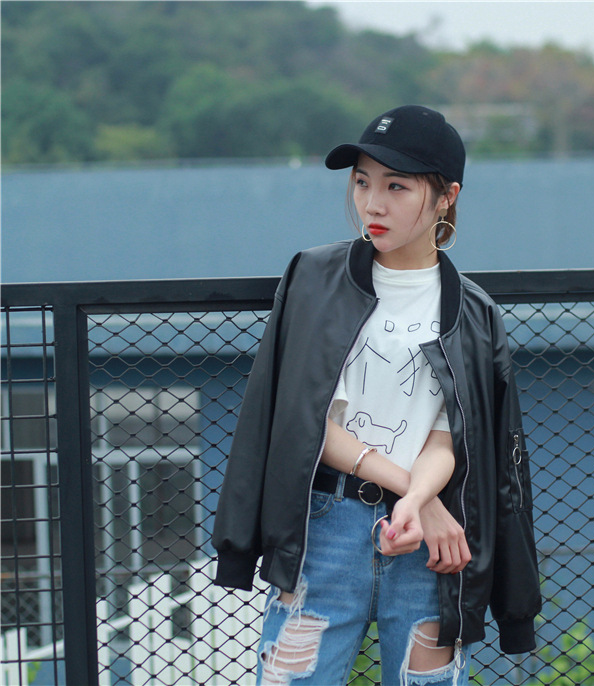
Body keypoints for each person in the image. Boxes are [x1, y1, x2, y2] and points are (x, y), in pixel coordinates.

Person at [211, 105, 541, 685]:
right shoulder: (315, 278)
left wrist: (417, 503)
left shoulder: (473, 311)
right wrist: (419, 498)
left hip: (427, 552)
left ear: (446, 198)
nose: (373, 204)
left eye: (396, 186)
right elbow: (308, 422)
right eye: (362, 182)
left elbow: (447, 439)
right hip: (325, 530)